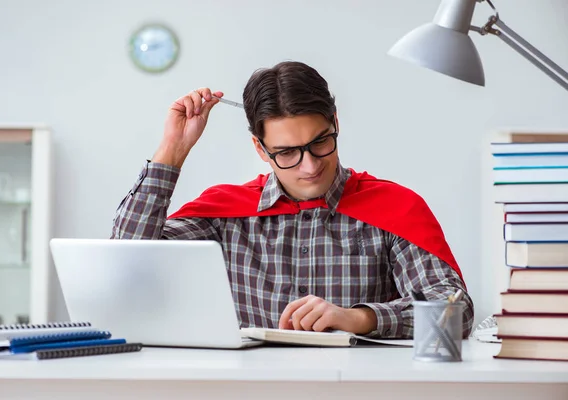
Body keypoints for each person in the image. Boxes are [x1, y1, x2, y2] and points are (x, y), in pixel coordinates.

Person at [111, 61, 474, 339]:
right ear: (260, 148)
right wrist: (172, 151)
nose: (310, 165)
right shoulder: (224, 216)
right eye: (286, 152)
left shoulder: (394, 208)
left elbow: (455, 313)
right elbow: (126, 264)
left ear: (335, 122)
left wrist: (358, 317)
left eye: (320, 141)